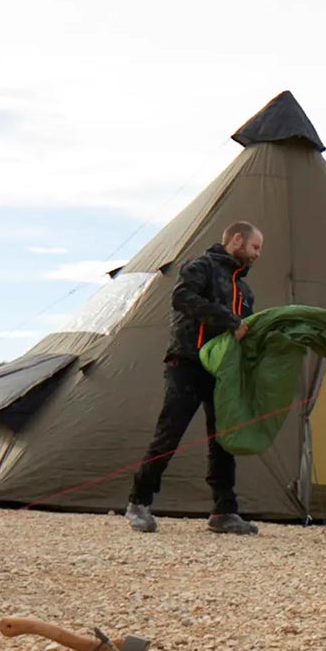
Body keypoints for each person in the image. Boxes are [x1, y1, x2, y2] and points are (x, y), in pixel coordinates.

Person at [126, 221, 263, 535]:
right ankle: (139, 502)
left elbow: (245, 331)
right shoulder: (200, 266)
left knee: (223, 439)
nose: (258, 255)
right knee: (169, 433)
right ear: (237, 240)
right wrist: (230, 320)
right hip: (187, 362)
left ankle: (224, 511)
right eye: (255, 247)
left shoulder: (244, 289)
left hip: (223, 371)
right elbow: (182, 298)